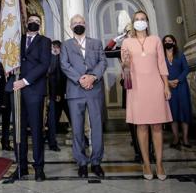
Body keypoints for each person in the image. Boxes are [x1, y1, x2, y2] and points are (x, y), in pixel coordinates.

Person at [121, 10, 171, 181]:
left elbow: (162, 64)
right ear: (133, 23)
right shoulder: (127, 42)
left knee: (157, 126)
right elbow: (125, 69)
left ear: (147, 22)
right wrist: (126, 63)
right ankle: (147, 163)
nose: (140, 22)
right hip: (136, 88)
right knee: (141, 127)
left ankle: (159, 163)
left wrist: (166, 86)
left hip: (155, 86)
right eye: (137, 19)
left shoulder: (156, 39)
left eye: (143, 19)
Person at [61, 14, 108, 178]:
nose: (78, 25)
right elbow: (64, 64)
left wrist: (93, 77)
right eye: (75, 23)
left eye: (81, 22)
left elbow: (103, 62)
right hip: (75, 90)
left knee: (97, 127)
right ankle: (81, 162)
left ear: (85, 24)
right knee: (77, 129)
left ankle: (96, 162)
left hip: (94, 90)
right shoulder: (66, 45)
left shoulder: (96, 43)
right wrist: (80, 79)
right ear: (70, 26)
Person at [8, 14, 51, 182]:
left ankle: (39, 167)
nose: (33, 23)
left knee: (36, 129)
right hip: (16, 90)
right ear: (26, 23)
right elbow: (9, 58)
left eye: (37, 22)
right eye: (31, 21)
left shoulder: (45, 41)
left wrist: (24, 81)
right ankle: (21, 166)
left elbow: (44, 65)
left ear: (40, 25)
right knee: (18, 130)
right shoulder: (17, 39)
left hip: (33, 89)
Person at [104, 10, 143, 162]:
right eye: (126, 34)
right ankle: (138, 152)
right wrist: (116, 39)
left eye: (130, 32)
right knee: (133, 120)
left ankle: (150, 151)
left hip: (144, 86)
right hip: (129, 86)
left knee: (147, 120)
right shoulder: (122, 49)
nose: (128, 36)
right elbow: (106, 52)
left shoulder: (142, 46)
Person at [163, 34, 192, 149]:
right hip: (169, 88)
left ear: (174, 42)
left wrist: (178, 80)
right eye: (165, 41)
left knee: (184, 112)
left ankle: (185, 138)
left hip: (181, 87)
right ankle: (176, 138)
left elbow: (186, 69)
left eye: (170, 40)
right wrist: (168, 82)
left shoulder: (180, 55)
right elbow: (159, 71)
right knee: (173, 113)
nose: (168, 42)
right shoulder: (161, 57)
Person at [45, 40, 70, 152]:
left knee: (73, 119)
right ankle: (52, 143)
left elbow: (64, 78)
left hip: (65, 94)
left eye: (56, 47)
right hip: (54, 95)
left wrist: (62, 93)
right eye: (53, 47)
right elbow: (51, 78)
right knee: (53, 121)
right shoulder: (50, 60)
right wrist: (54, 95)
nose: (54, 49)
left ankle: (82, 139)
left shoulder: (64, 59)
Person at [0, 38, 13, 151]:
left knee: (6, 121)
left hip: (7, 94)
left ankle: (5, 142)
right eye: (2, 45)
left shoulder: (11, 60)